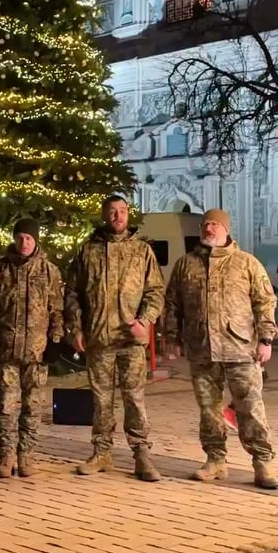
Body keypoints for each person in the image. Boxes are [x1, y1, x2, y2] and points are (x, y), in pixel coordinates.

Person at [164, 208, 278, 489]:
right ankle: (215, 460)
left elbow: (265, 303)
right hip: (202, 348)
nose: (209, 229)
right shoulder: (185, 265)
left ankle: (262, 462)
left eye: (215, 225)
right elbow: (172, 303)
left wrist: (266, 340)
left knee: (250, 407)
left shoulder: (246, 263)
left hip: (241, 348)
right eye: (205, 224)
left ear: (226, 229)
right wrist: (172, 337)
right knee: (208, 409)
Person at [64, 194, 165, 481]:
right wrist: (77, 328)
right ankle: (102, 452)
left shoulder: (142, 251)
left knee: (134, 399)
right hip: (98, 340)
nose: (118, 216)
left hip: (130, 341)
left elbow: (155, 291)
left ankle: (141, 454)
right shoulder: (88, 252)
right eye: (112, 212)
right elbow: (72, 293)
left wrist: (144, 321)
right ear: (104, 215)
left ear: (128, 214)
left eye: (122, 211)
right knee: (101, 400)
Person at [0, 218, 64, 479]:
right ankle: (6, 455)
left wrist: (55, 340)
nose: (24, 242)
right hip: (7, 351)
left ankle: (26, 455)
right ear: (14, 239)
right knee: (5, 406)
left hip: (36, 353)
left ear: (36, 240)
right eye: (20, 238)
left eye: (29, 238)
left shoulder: (49, 272)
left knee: (32, 406)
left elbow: (57, 310)